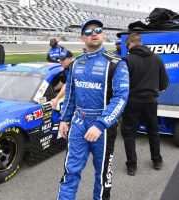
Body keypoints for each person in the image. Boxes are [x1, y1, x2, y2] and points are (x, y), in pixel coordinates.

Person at [57, 18, 129, 200]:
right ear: (82, 38)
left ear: (103, 34)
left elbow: (121, 98)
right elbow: (70, 96)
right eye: (88, 32)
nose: (94, 34)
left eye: (97, 30)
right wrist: (64, 120)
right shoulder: (75, 64)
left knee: (103, 175)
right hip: (79, 123)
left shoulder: (116, 63)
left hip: (102, 127)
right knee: (70, 172)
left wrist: (100, 124)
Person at [121, 33, 169, 176]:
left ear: (130, 43)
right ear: (140, 42)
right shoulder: (156, 58)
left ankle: (131, 166)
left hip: (132, 101)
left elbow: (121, 84)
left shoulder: (127, 60)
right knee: (153, 132)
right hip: (150, 101)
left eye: (127, 45)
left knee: (129, 133)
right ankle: (157, 161)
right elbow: (164, 83)